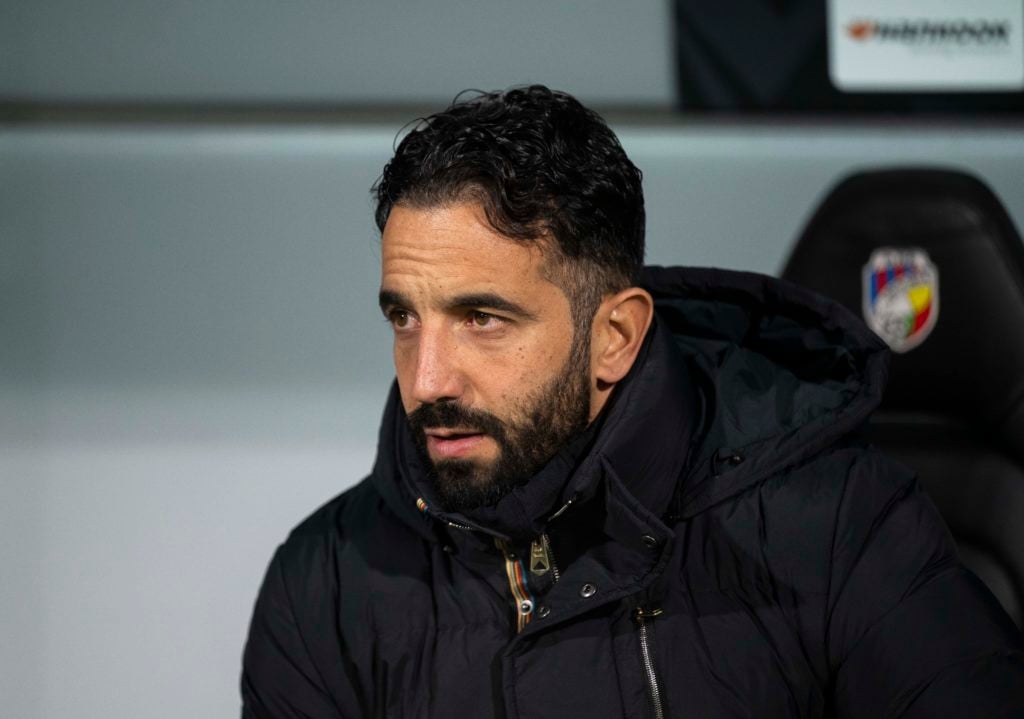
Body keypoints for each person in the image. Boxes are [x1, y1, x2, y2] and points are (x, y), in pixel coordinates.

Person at [241, 85, 1024, 718]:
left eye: (482, 318)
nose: (426, 379)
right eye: (404, 317)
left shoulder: (841, 528)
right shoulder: (325, 582)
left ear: (615, 336)